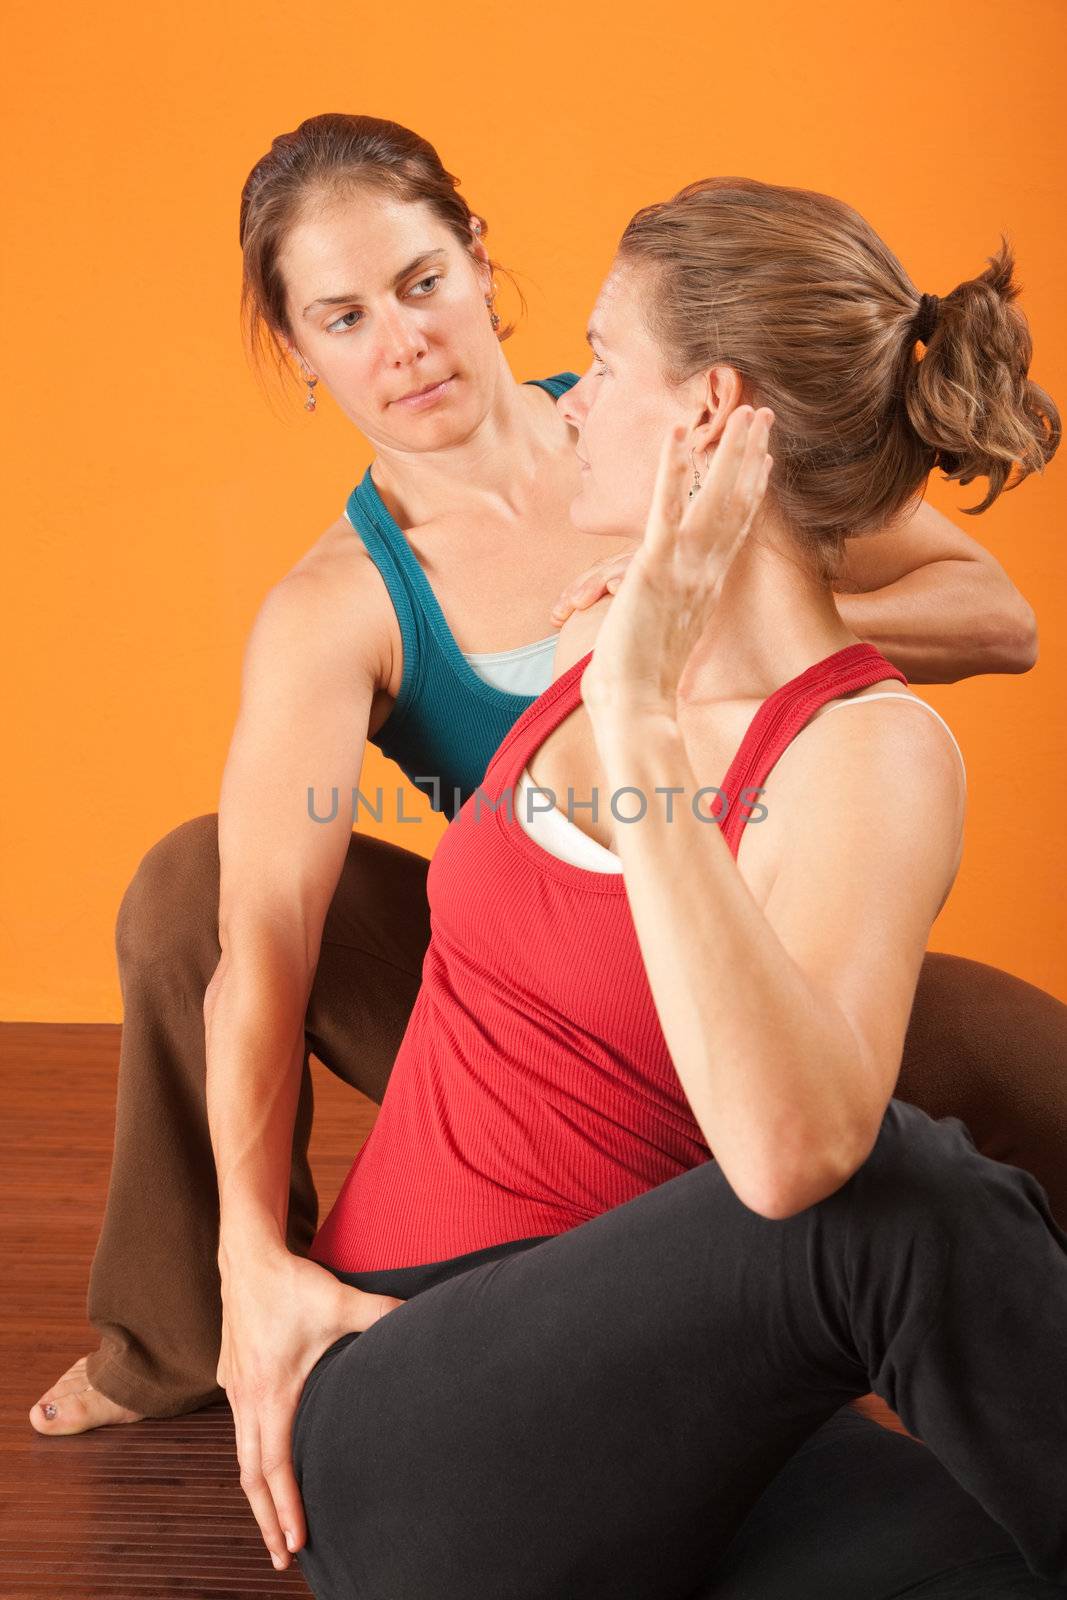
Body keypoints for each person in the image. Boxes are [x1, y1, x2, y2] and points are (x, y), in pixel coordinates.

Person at [25, 115, 1064, 1578]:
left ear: (477, 263)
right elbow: (258, 942)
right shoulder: (356, 604)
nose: (404, 342)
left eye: (422, 280)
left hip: (665, 1168)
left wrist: (696, 622)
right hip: (454, 1272)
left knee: (982, 1496)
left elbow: (986, 618)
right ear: (301, 354)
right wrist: (251, 1270)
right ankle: (166, 1339)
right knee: (883, 1195)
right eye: (342, 317)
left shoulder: (755, 628)